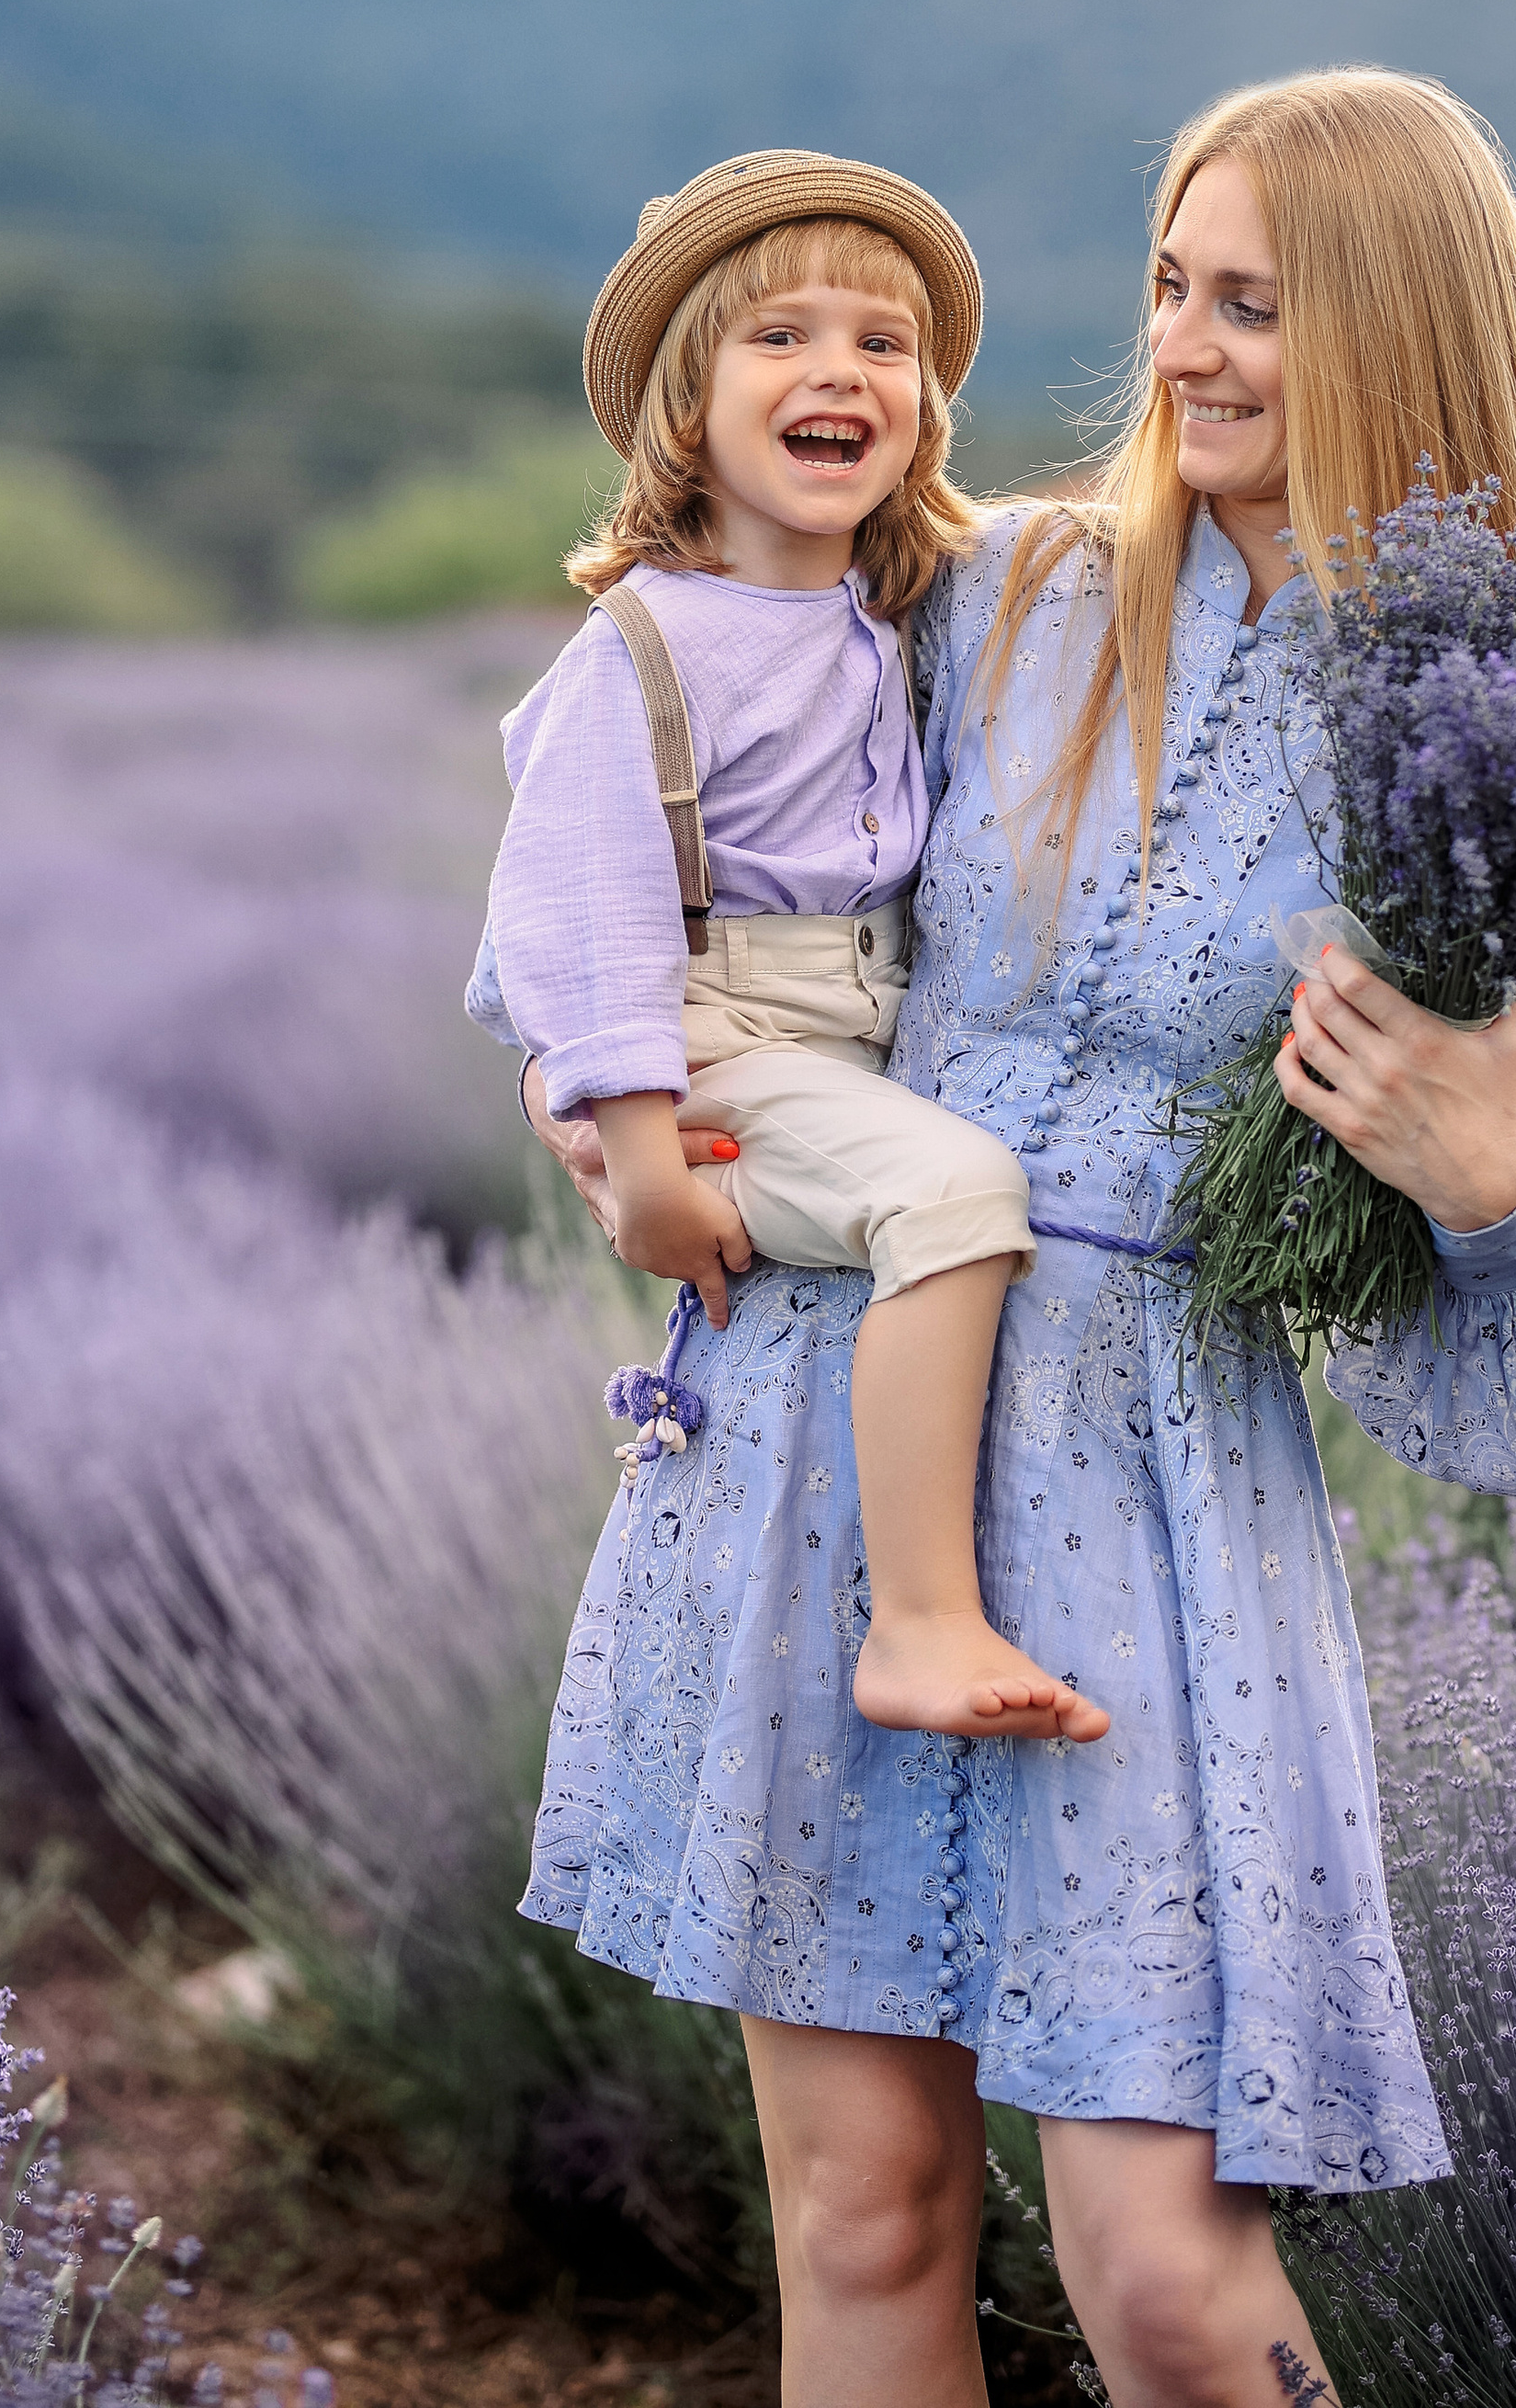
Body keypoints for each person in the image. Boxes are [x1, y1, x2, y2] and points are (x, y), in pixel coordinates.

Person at [515, 72, 1516, 2408]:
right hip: (828, 1424)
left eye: (1250, 304)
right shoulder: (989, 597)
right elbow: (659, 809)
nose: (1179, 347)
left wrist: (1474, 1179)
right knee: (863, 2216)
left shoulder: (1479, 762)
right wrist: (612, 1096)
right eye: (1170, 284)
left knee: (1165, 2280)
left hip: (1153, 1505)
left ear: (1394, 328)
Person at [473, 148, 1111, 1744]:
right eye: (781, 337)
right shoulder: (646, 644)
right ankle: (920, 1622)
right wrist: (646, 1169)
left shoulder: (887, 611)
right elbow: (584, 917)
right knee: (953, 1195)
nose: (840, 370)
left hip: (848, 1024)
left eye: (883, 345)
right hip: (723, 1038)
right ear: (686, 409)